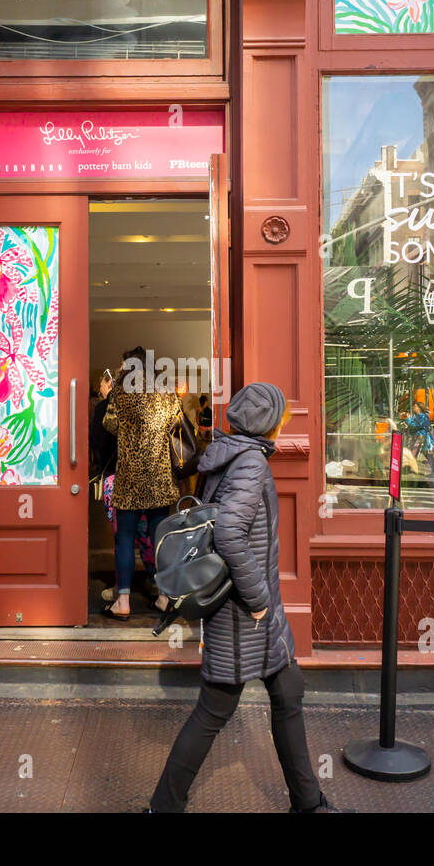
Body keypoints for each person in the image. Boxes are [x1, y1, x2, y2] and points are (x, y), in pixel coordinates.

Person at [148, 382, 342, 813]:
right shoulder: (251, 463)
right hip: (244, 611)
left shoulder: (227, 454)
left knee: (288, 690)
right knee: (214, 710)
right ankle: (163, 807)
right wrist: (258, 601)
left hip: (253, 612)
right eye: (279, 421)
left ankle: (309, 803)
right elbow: (231, 534)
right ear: (268, 425)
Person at [102, 347, 181, 620]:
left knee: (125, 538)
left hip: (131, 477)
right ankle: (163, 596)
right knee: (161, 539)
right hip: (159, 476)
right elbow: (176, 423)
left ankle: (122, 601)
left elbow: (109, 424)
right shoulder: (167, 392)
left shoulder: (121, 394)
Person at [91, 369, 156, 606]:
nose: (100, 391)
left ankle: (122, 591)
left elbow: (98, 442)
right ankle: (155, 582)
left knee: (123, 536)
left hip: (115, 478)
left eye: (102, 386)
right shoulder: (147, 403)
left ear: (110, 383)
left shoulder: (107, 407)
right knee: (146, 533)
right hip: (145, 477)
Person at [407, 401, 434, 478]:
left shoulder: (423, 417)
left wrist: (408, 420)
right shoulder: (417, 416)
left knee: (427, 455)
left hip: (424, 438)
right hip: (419, 437)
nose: (413, 408)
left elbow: (417, 425)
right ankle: (408, 468)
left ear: (419, 408)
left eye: (415, 406)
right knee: (414, 452)